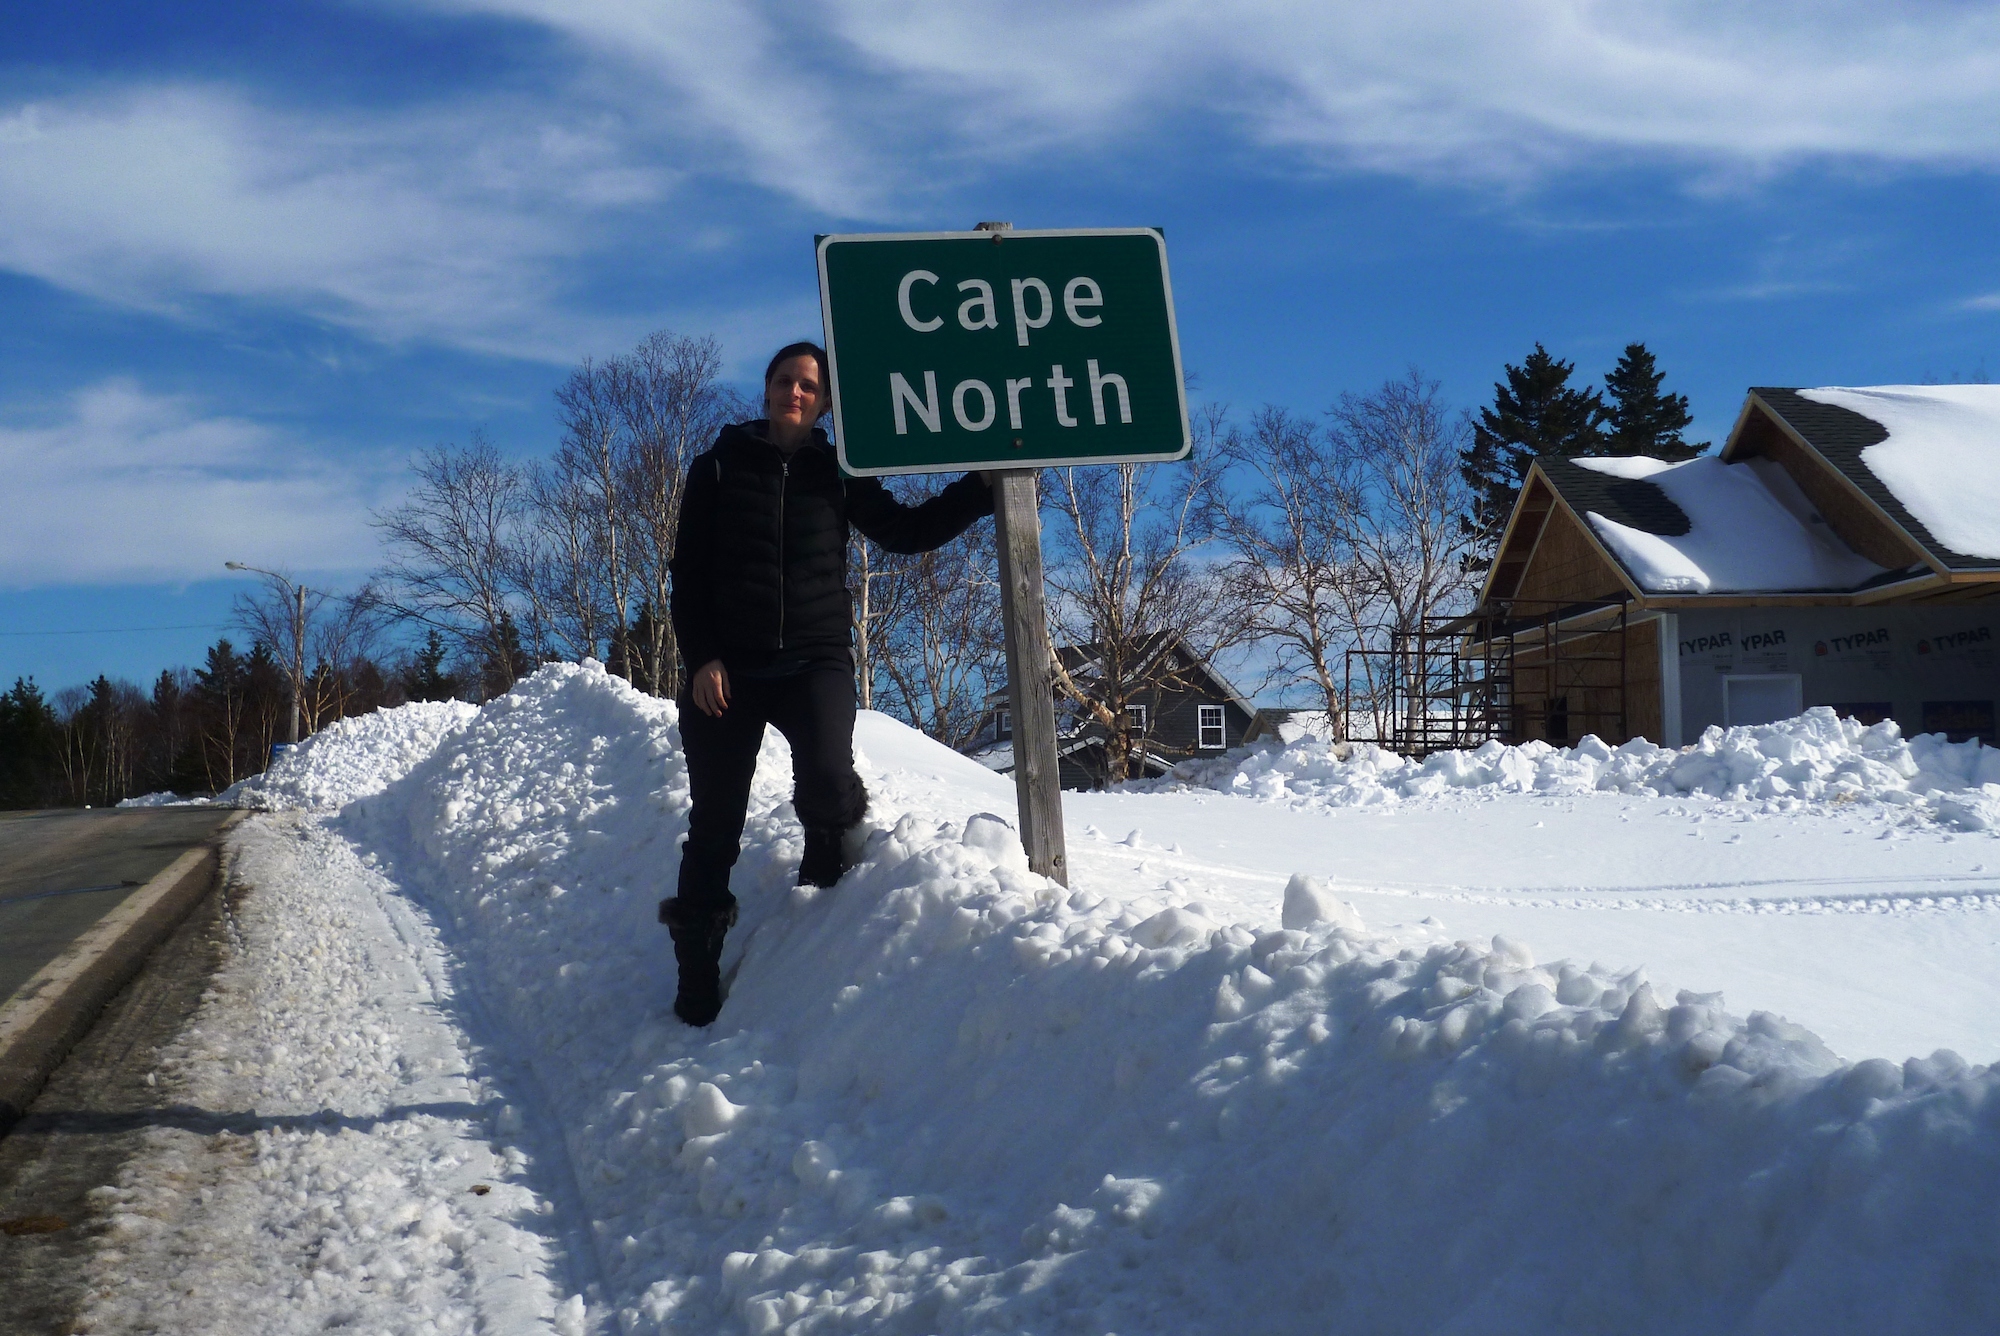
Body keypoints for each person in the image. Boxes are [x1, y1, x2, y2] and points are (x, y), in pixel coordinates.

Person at [660, 341, 995, 1026]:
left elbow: (903, 531)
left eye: (810, 386)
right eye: (785, 380)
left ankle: (826, 854)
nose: (795, 393)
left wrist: (980, 489)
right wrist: (703, 660)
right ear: (767, 389)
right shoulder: (719, 468)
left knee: (825, 777)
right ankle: (697, 968)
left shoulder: (841, 473)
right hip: (729, 668)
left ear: (826, 403)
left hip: (814, 658)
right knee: (715, 824)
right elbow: (687, 575)